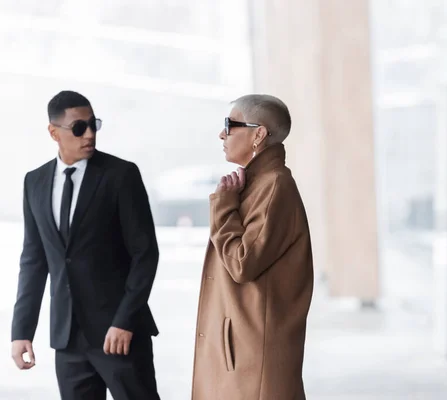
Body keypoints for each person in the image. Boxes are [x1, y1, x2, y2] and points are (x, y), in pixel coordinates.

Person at [10, 90, 161, 400]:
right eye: (79, 127)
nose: (90, 134)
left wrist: (124, 322)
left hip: (120, 336)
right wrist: (22, 331)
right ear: (54, 132)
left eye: (94, 124)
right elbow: (33, 261)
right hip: (68, 339)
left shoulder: (121, 175)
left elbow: (145, 255)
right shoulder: (34, 182)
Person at [191, 94, 314, 400]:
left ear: (258, 134)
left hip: (251, 354)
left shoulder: (274, 186)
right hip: (242, 347)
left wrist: (223, 208)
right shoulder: (256, 184)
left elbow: (242, 264)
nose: (222, 134)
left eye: (229, 125)